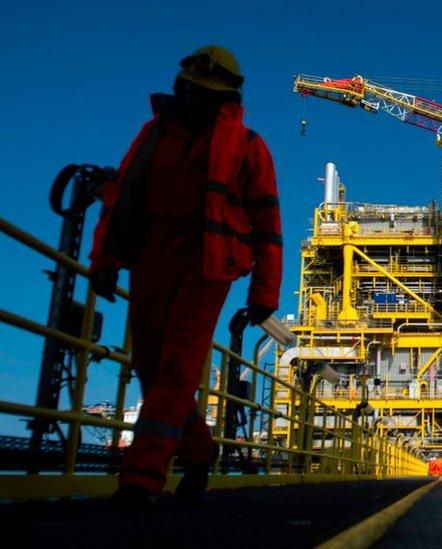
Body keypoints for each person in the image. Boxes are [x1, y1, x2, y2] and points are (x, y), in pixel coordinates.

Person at [87, 45, 283, 503]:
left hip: (209, 265)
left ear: (225, 98)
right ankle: (197, 452)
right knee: (150, 366)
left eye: (206, 93)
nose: (197, 99)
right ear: (182, 87)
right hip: (151, 259)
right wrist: (105, 263)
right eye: (193, 89)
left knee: (177, 366)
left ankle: (140, 479)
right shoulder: (154, 134)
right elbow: (123, 200)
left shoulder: (249, 147)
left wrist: (264, 292)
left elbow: (268, 223)